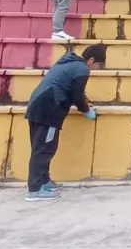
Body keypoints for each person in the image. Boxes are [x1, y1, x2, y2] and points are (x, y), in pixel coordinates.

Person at [24, 44, 104, 201]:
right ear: (92, 60)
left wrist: (86, 104)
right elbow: (77, 96)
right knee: (44, 149)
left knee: (41, 147)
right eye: (97, 65)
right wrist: (87, 111)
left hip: (37, 105)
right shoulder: (82, 69)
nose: (95, 69)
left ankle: (44, 181)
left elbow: (76, 91)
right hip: (49, 109)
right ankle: (35, 189)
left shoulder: (69, 64)